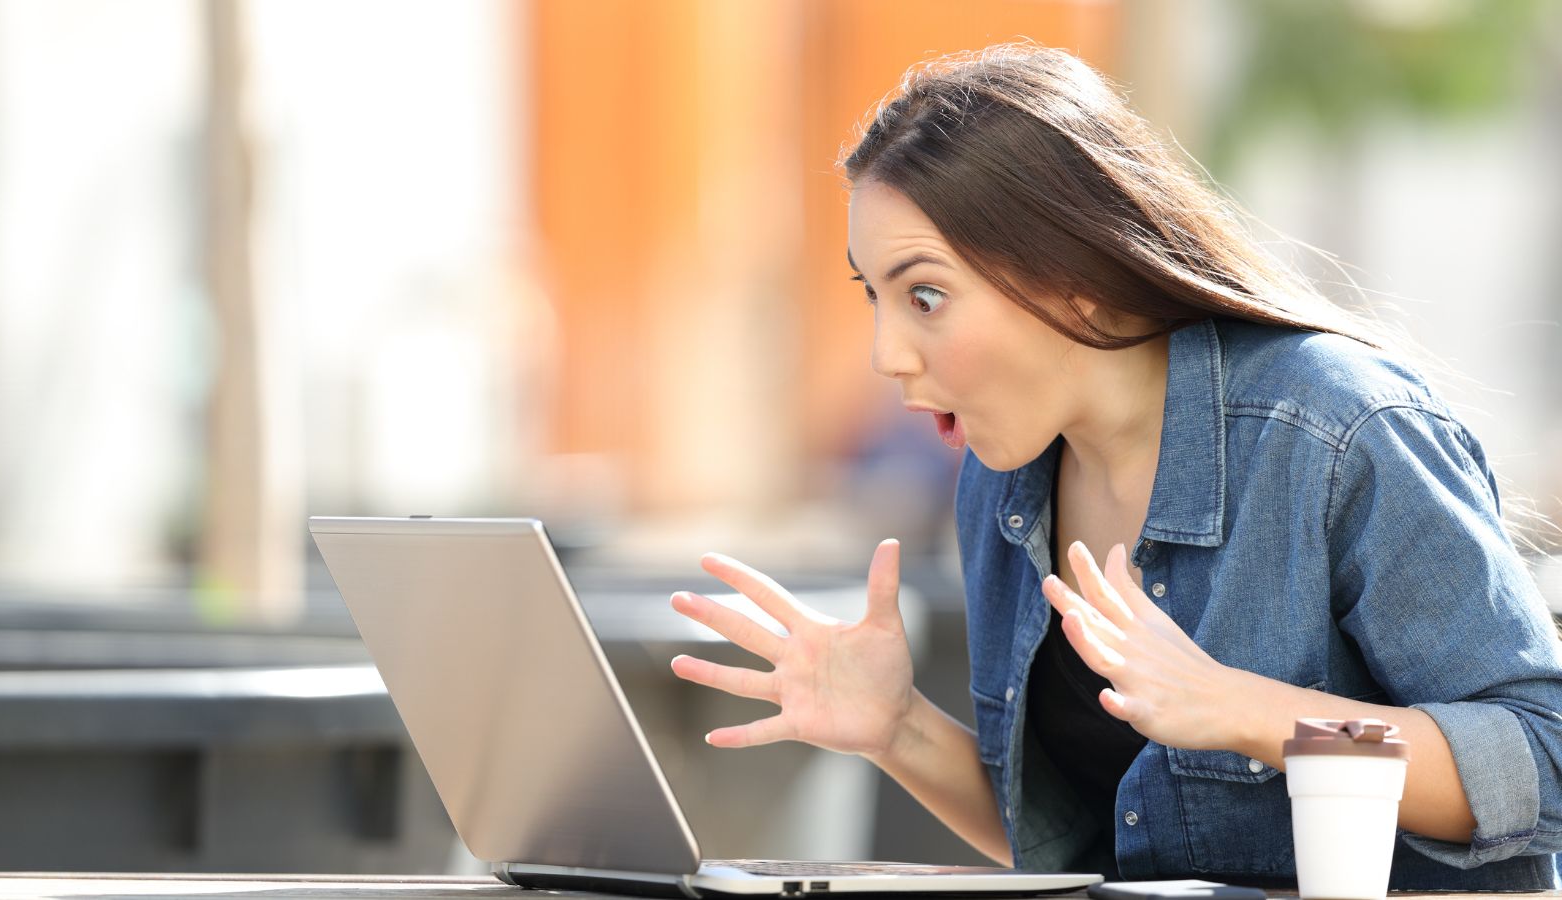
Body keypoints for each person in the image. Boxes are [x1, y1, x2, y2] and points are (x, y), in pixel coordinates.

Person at [667, 42, 1562, 890]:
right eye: (876, 296)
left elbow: (1542, 755)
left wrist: (1243, 710)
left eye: (926, 295)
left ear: (1075, 277)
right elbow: (1083, 844)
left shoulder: (1331, 430)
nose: (886, 354)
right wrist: (897, 728)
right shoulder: (1004, 480)